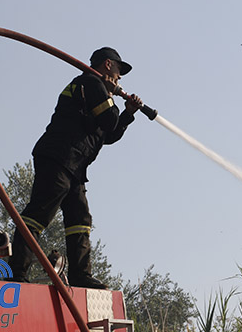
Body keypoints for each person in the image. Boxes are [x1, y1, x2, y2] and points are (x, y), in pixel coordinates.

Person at [9, 47, 143, 289]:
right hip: (59, 158)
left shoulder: (94, 87)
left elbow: (107, 134)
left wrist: (128, 114)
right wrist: (110, 94)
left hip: (74, 165)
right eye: (118, 69)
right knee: (39, 213)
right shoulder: (91, 82)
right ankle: (16, 272)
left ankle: (81, 276)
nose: (120, 77)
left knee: (80, 219)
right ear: (107, 64)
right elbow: (109, 120)